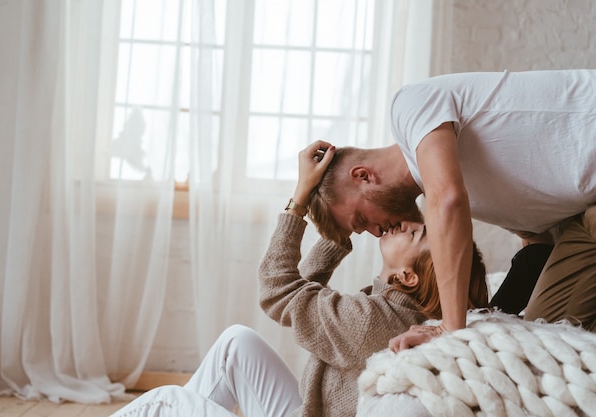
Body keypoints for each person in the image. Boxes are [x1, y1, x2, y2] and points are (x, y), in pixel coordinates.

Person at [108, 144, 489, 417]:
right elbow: (302, 291)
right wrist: (339, 236)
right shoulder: (392, 310)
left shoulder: (373, 321)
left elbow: (278, 290)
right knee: (235, 343)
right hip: (304, 410)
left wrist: (300, 197)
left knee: (167, 402)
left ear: (406, 276)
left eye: (416, 234)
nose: (407, 223)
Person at [306, 69, 596, 351]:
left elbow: (447, 200)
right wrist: (488, 317)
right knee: (547, 331)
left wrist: (450, 327)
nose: (376, 231)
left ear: (363, 176)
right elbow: (537, 244)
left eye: (362, 220)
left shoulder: (409, 105)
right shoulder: (473, 188)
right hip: (586, 217)